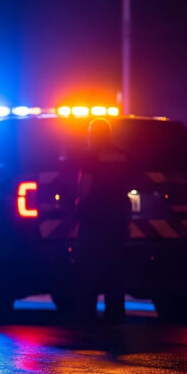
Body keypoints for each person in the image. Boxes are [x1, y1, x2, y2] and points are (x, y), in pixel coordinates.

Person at [75, 118, 133, 324]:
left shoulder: (90, 154)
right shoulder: (123, 154)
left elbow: (85, 185)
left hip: (95, 218)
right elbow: (129, 184)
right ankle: (115, 314)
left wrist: (78, 204)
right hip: (118, 217)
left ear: (94, 134)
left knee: (89, 266)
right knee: (115, 268)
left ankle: (87, 314)